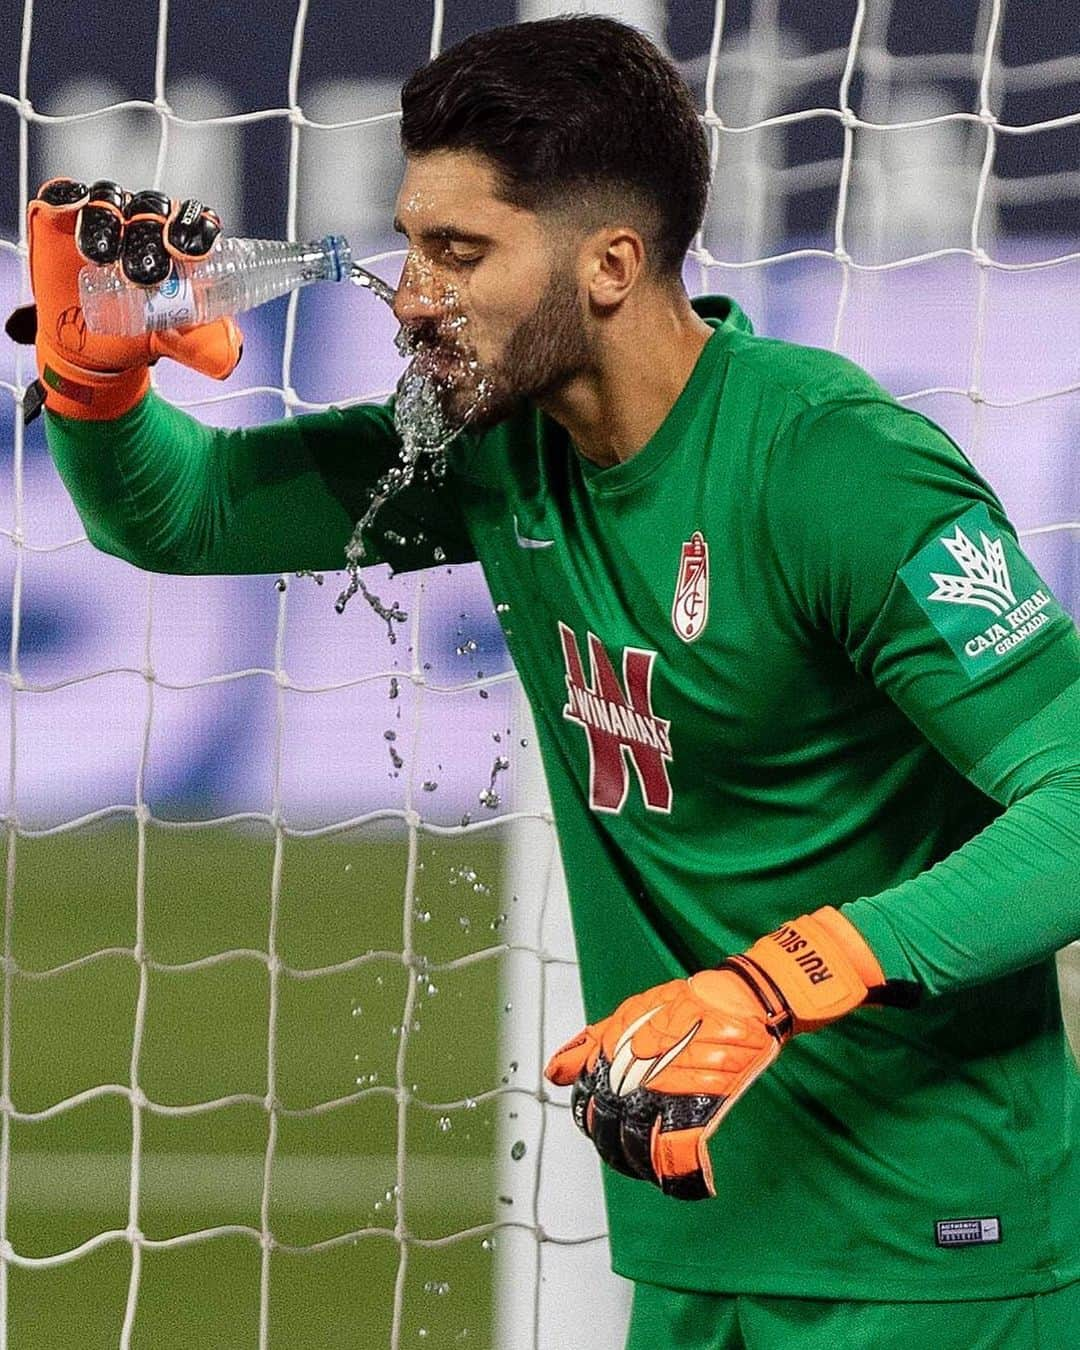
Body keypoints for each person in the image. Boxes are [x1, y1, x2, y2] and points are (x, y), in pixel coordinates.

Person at [6, 15, 1080, 1349]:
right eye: (411, 244)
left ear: (612, 264)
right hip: (701, 1240)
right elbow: (196, 515)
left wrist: (783, 976)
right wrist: (96, 391)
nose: (408, 295)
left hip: (937, 1253)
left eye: (460, 253)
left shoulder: (832, 469)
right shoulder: (497, 447)